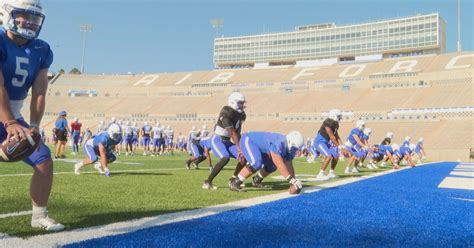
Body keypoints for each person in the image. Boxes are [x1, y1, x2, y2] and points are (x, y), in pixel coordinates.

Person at [0, 0, 63, 231]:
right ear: (5, 13)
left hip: (12, 114)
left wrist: (34, 125)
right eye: (23, 16)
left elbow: (39, 92)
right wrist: (10, 122)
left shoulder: (41, 49)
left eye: (34, 18)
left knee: (43, 158)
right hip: (6, 114)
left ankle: (39, 216)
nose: (29, 22)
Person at [229, 131, 304, 193]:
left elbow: (288, 164)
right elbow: (279, 163)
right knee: (256, 163)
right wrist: (292, 180)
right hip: (248, 140)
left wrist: (293, 182)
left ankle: (256, 181)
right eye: (294, 148)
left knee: (272, 166)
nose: (295, 151)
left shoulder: (287, 146)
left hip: (261, 148)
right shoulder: (279, 143)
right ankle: (235, 183)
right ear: (289, 142)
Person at [203, 92, 247, 190]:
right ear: (233, 102)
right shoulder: (226, 111)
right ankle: (207, 181)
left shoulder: (241, 115)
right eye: (240, 103)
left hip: (227, 141)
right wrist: (239, 148)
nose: (242, 105)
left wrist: (240, 148)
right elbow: (231, 132)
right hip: (217, 139)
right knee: (225, 157)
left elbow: (237, 132)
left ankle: (233, 179)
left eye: (242, 103)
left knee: (244, 157)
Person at [313, 109, 343, 181]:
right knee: (328, 155)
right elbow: (332, 137)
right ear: (333, 116)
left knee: (336, 155)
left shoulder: (335, 124)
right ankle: (320, 174)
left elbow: (336, 135)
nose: (339, 118)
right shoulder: (327, 122)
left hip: (326, 142)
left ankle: (331, 172)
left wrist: (342, 145)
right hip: (319, 142)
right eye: (338, 116)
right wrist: (339, 146)